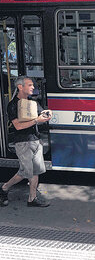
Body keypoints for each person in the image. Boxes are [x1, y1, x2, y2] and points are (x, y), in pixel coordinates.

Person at [0, 76, 52, 207]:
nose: (33, 87)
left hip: (35, 139)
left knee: (35, 171)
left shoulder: (32, 102)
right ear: (20, 87)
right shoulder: (13, 105)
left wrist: (47, 113)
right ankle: (4, 188)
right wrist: (36, 121)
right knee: (25, 172)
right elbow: (18, 126)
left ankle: (32, 199)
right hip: (23, 142)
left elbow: (42, 113)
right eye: (30, 85)